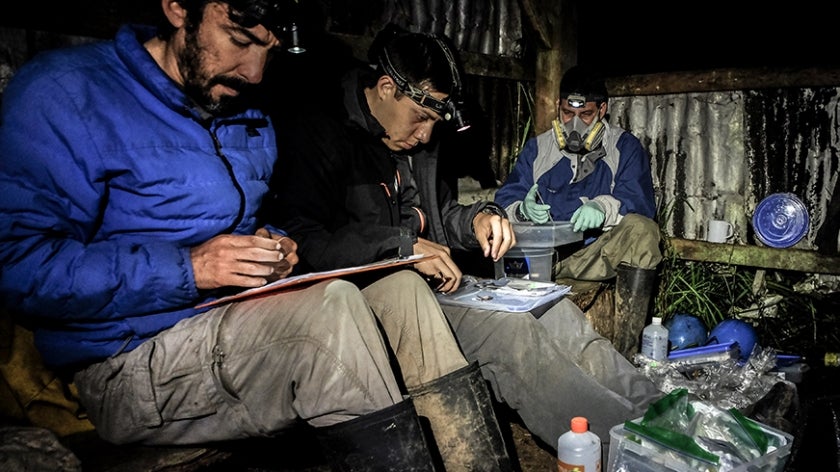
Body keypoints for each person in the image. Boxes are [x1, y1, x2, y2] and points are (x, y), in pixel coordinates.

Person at [0, 2, 513, 470]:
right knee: (327, 318)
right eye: (240, 39)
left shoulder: (245, 112)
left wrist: (275, 245)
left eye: (267, 48)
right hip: (130, 357)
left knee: (401, 292)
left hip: (233, 322)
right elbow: (17, 265)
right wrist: (191, 268)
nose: (254, 71)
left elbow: (263, 223)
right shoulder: (68, 94)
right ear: (179, 8)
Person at [261, 23, 662, 454]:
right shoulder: (319, 131)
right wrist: (401, 248)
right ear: (384, 88)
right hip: (373, 297)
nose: (427, 134)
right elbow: (306, 241)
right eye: (422, 118)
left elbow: (440, 218)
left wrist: (478, 218)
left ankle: (658, 411)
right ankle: (637, 448)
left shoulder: (417, 142)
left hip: (438, 286)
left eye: (435, 121)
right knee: (512, 337)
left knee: (553, 311)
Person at [494, 65, 664, 356]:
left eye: (585, 115)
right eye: (566, 114)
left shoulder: (624, 147)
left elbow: (640, 201)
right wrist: (521, 210)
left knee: (644, 232)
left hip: (591, 257)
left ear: (602, 110)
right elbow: (505, 196)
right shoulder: (539, 149)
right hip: (542, 261)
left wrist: (603, 206)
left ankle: (627, 354)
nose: (575, 125)